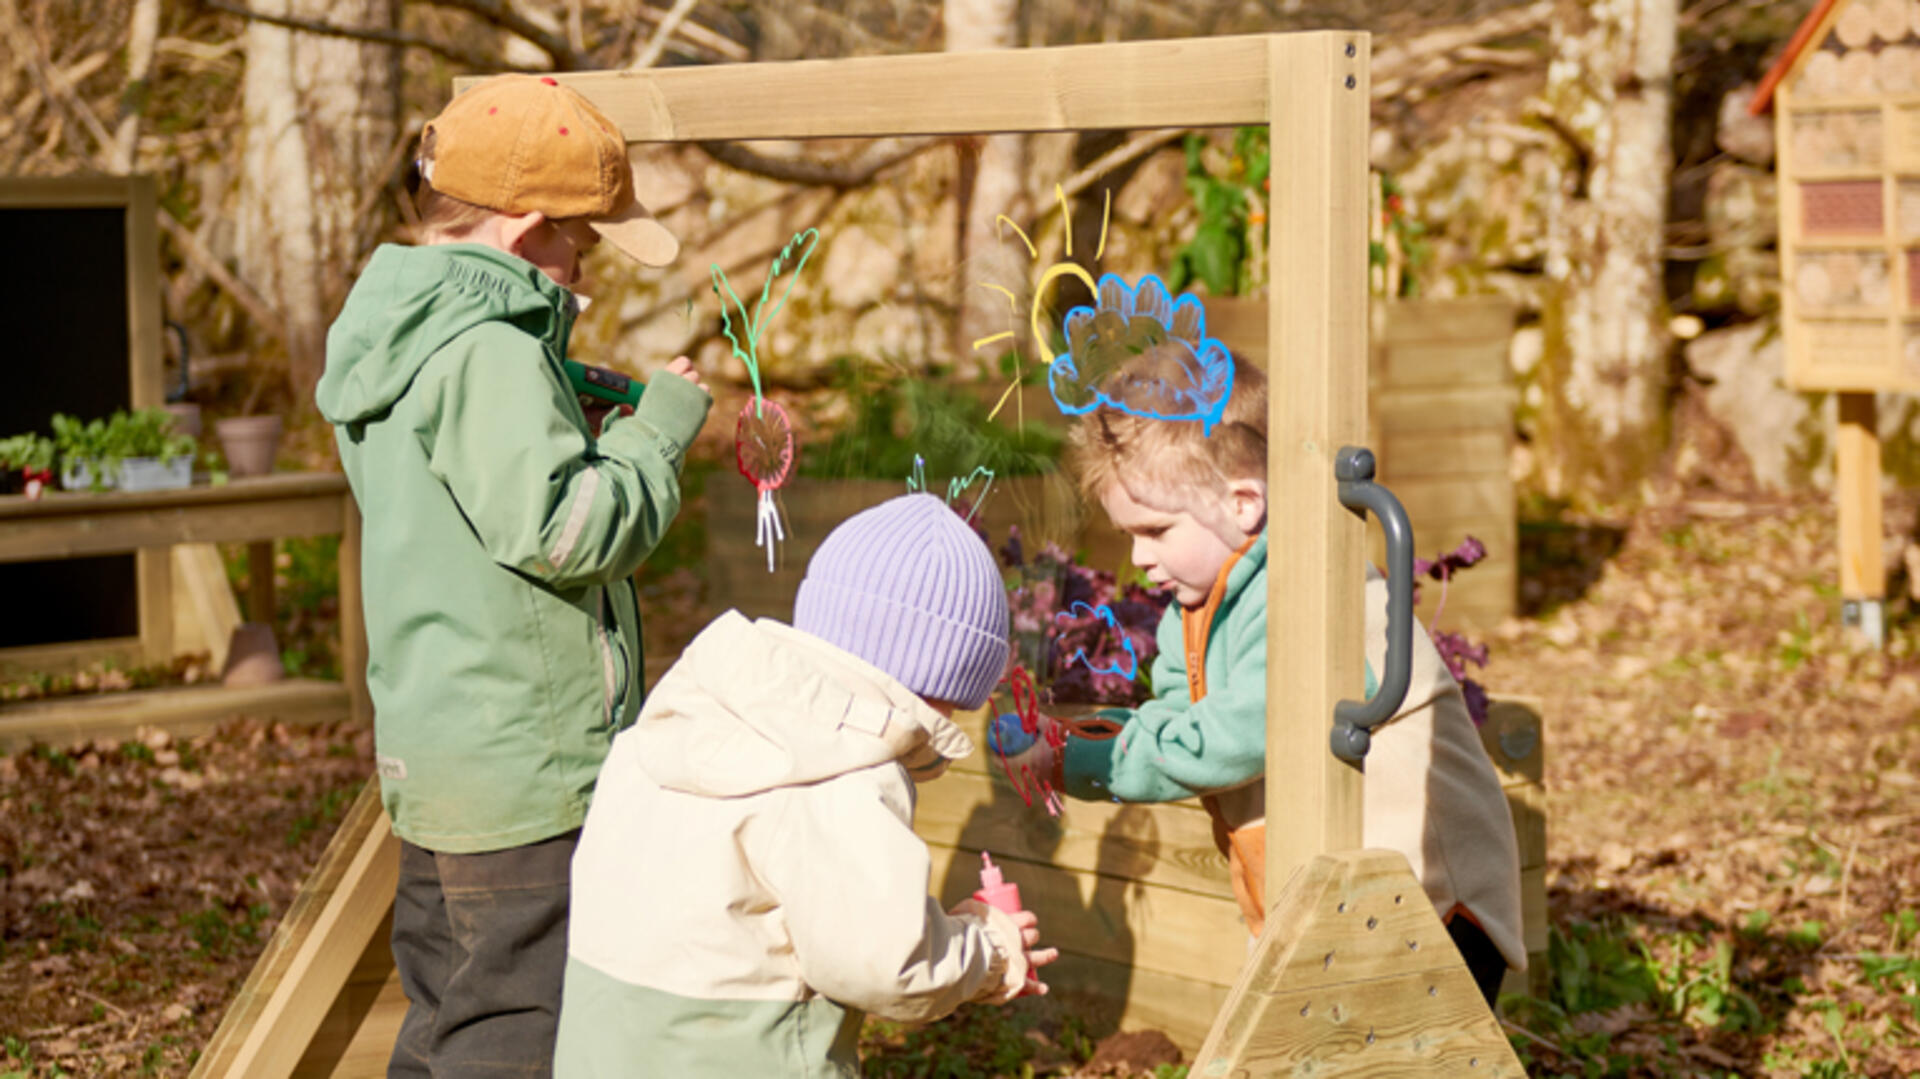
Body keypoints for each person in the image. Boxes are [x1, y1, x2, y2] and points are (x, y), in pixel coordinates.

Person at [315, 73, 713, 1077]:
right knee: (515, 1032)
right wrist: (656, 436)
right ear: (526, 226)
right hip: (524, 774)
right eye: (581, 237)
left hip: (449, 762)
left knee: (449, 1015)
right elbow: (570, 527)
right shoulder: (485, 353)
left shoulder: (412, 336)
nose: (586, 265)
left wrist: (575, 401)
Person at [1006, 342, 1524, 1007]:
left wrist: (1084, 762)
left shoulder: (1308, 595)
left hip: (1433, 899)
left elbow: (1226, 742)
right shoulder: (1196, 608)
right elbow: (1176, 720)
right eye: (1128, 532)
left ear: (1243, 502)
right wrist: (1075, 740)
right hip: (1335, 899)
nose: (1139, 555)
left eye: (1157, 529)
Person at [554, 494, 1058, 1077]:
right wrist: (988, 949)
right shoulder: (847, 766)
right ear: (937, 679)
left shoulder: (684, 710)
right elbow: (885, 965)